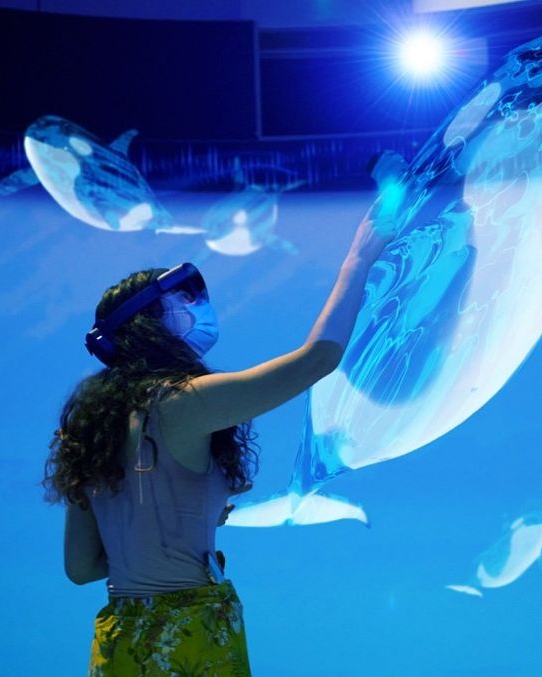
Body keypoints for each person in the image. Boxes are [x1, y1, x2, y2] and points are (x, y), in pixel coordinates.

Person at [43, 206, 394, 676]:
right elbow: (318, 359)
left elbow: (81, 568)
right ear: (150, 323)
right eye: (182, 299)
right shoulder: (182, 402)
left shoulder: (90, 426)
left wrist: (160, 537)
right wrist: (359, 259)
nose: (198, 305)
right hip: (192, 631)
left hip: (120, 636)